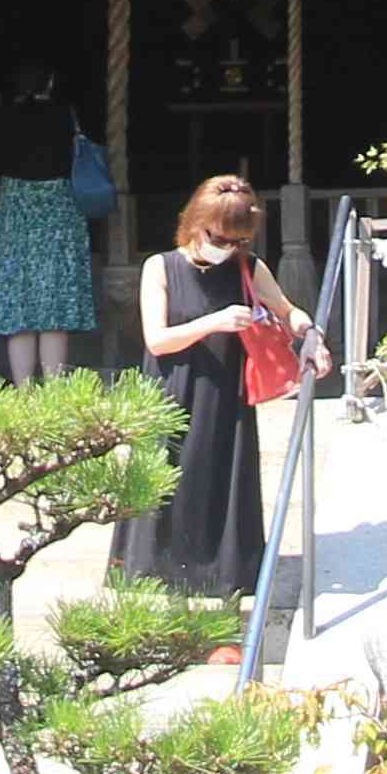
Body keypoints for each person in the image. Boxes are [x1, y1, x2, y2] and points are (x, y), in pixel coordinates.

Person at [122, 174, 310, 598]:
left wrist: (309, 332)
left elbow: (286, 310)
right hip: (171, 390)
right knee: (168, 489)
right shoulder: (161, 266)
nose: (225, 247)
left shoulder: (248, 266)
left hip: (226, 394)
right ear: (195, 223)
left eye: (234, 240)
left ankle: (226, 588)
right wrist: (214, 322)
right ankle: (163, 588)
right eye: (218, 237)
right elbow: (157, 339)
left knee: (223, 486)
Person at [0, 60, 94, 383]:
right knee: (54, 305)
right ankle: (53, 392)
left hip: (15, 210)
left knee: (18, 306)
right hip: (59, 212)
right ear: (50, 82)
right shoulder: (66, 115)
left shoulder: (2, 117)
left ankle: (23, 392)